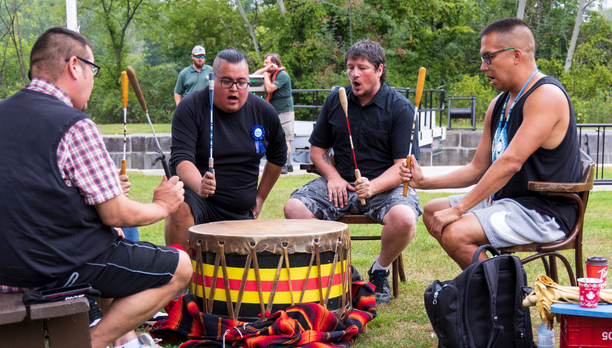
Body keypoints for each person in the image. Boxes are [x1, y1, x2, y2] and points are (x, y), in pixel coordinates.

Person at [0, 27, 192, 348]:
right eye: (93, 69)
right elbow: (117, 212)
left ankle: (126, 342)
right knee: (180, 267)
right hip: (45, 268)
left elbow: (34, 189)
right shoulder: (73, 123)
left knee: (117, 249)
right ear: (74, 66)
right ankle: (88, 343)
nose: (93, 81)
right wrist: (162, 205)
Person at [399, 17, 582, 270]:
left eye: (488, 57)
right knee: (431, 211)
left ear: (516, 55)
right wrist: (424, 182)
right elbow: (478, 168)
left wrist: (460, 209)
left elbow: (510, 162)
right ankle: (495, 290)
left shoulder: (546, 96)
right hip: (507, 202)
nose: (483, 67)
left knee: (456, 232)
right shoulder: (498, 104)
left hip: (544, 213)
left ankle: (506, 299)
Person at [284, 40, 422, 304]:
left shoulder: (399, 107)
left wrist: (373, 187)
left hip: (386, 188)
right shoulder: (336, 101)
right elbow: (317, 150)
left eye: (362, 68)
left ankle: (379, 272)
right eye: (350, 68)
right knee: (294, 208)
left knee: (404, 218)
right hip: (340, 185)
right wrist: (333, 176)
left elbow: (403, 166)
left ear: (380, 69)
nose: (354, 74)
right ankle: (344, 271)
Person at [164, 48, 287, 251]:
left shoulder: (264, 111)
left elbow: (278, 156)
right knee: (179, 205)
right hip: (199, 199)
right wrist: (199, 185)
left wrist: (260, 197)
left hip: (240, 206)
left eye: (241, 82)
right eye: (227, 81)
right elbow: (181, 158)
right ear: (213, 79)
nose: (234, 88)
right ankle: (182, 276)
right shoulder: (190, 107)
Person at [253, 53, 295, 174]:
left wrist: (266, 75)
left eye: (266, 63)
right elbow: (253, 76)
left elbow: (270, 88)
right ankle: (289, 164)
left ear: (274, 64)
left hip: (285, 111)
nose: (264, 65)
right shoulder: (271, 73)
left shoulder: (282, 75)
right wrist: (266, 70)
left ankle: (284, 165)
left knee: (286, 138)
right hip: (276, 111)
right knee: (280, 137)